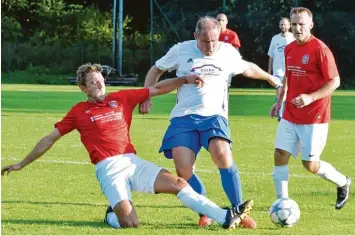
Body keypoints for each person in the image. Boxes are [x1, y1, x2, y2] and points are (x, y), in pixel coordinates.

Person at [1, 63, 252, 230]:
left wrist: (184, 79)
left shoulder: (121, 98)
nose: (100, 85)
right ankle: (111, 213)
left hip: (132, 161)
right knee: (130, 223)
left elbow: (157, 88)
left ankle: (225, 216)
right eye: (94, 83)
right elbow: (49, 139)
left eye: (101, 81)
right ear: (83, 88)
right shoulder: (78, 112)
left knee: (179, 183)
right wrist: (22, 163)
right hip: (108, 169)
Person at [139, 16, 282, 228]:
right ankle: (206, 209)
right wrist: (146, 95)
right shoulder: (181, 50)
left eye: (214, 40)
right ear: (195, 36)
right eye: (205, 41)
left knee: (222, 154)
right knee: (183, 169)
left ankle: (238, 210)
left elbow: (247, 68)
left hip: (214, 115)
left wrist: (270, 78)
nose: (211, 46)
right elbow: (156, 69)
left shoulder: (227, 51)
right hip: (184, 118)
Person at [269, 7, 351, 210]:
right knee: (280, 153)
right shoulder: (289, 48)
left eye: (301, 24)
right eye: (294, 23)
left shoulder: (320, 49)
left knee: (310, 165)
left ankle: (342, 182)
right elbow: (288, 77)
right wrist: (280, 101)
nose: (297, 28)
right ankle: (283, 202)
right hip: (290, 113)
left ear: (311, 25)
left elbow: (335, 81)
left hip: (315, 116)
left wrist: (310, 97)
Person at [267, 17, 295, 120]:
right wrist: (269, 71)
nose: (283, 26)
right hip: (277, 70)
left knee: (287, 93)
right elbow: (271, 55)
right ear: (279, 26)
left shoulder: (293, 37)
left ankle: (286, 113)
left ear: (289, 25)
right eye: (281, 24)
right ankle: (280, 115)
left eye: (285, 24)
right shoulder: (275, 38)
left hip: (289, 70)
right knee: (279, 92)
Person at [216, 13, 242, 88]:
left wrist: (236, 65)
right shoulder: (211, 34)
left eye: (222, 20)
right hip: (213, 63)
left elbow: (236, 52)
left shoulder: (232, 34)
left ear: (226, 22)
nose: (220, 22)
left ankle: (225, 100)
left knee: (226, 87)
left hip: (227, 64)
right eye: (218, 20)